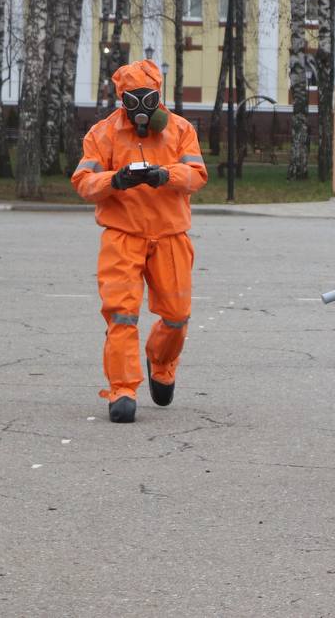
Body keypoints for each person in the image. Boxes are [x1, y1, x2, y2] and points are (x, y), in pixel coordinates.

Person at [70, 60, 208, 423]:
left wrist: (166, 174)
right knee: (121, 314)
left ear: (159, 96)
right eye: (133, 99)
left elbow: (197, 175)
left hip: (170, 235)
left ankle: (160, 363)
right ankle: (122, 390)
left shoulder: (179, 130)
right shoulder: (103, 134)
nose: (141, 108)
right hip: (123, 236)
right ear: (122, 99)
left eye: (148, 98)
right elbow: (83, 181)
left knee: (177, 317)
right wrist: (113, 181)